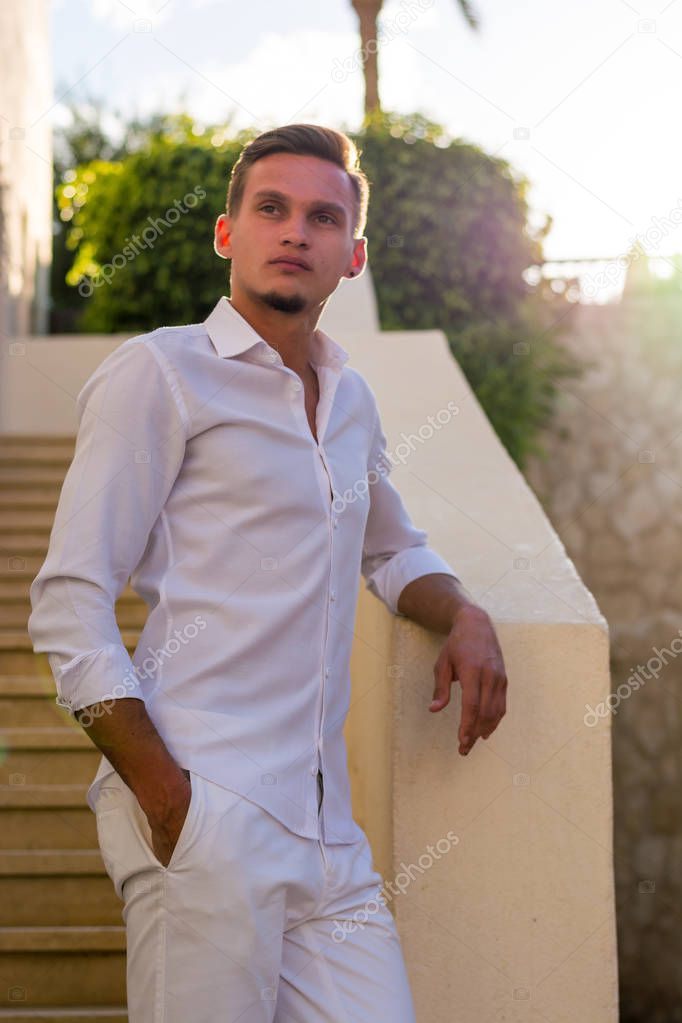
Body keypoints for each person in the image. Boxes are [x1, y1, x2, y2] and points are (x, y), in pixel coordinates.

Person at [28, 123, 507, 1022]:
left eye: (322, 217)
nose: (295, 231)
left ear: (351, 255)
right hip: (208, 807)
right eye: (272, 208)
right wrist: (168, 798)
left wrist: (466, 614)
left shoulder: (351, 398)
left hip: (329, 834)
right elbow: (69, 599)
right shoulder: (161, 374)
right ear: (227, 232)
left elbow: (392, 549)